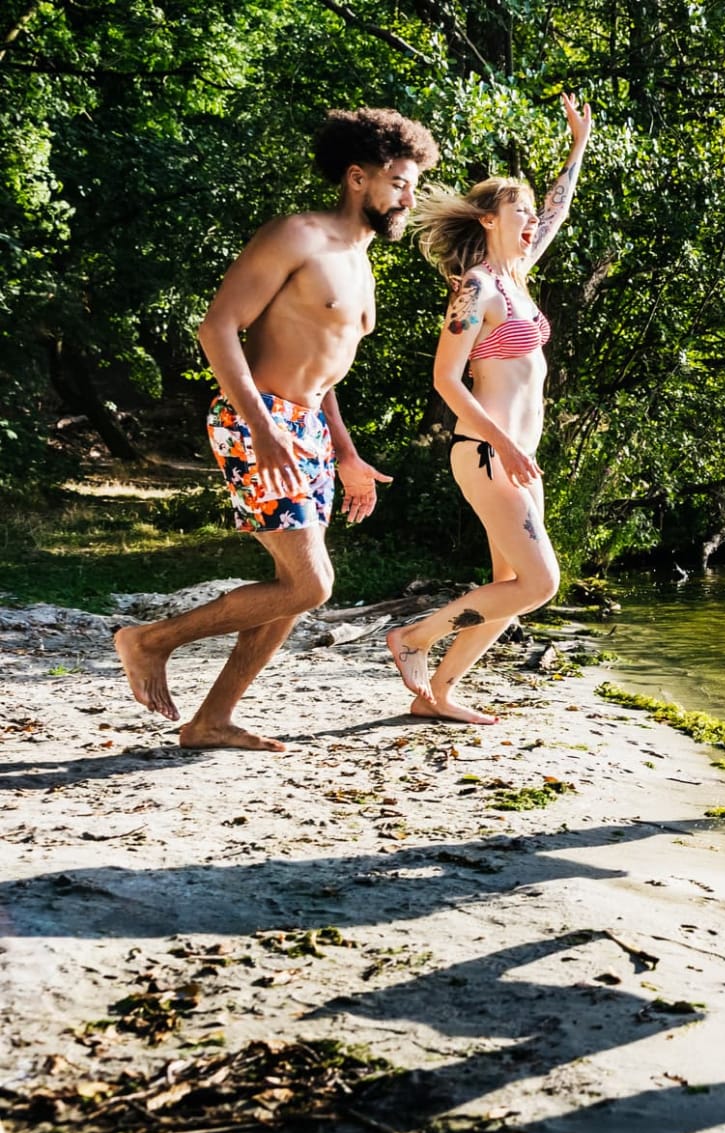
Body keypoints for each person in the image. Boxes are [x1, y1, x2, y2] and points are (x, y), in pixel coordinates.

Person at [114, 109, 439, 750]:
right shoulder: (298, 236)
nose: (410, 196)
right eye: (400, 182)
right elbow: (218, 329)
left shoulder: (360, 260)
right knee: (311, 584)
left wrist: (345, 454)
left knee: (295, 590)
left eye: (414, 184)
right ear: (357, 178)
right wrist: (262, 430)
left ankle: (212, 720)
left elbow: (327, 372)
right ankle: (148, 641)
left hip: (307, 428)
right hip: (255, 417)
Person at [383, 94, 593, 724]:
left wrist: (577, 146)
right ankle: (412, 639)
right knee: (540, 583)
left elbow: (557, 209)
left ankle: (437, 696)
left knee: (512, 592)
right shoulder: (476, 287)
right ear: (487, 221)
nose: (532, 220)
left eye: (531, 212)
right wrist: (503, 442)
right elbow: (447, 379)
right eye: (518, 212)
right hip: (486, 452)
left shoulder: (517, 274)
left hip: (515, 459)